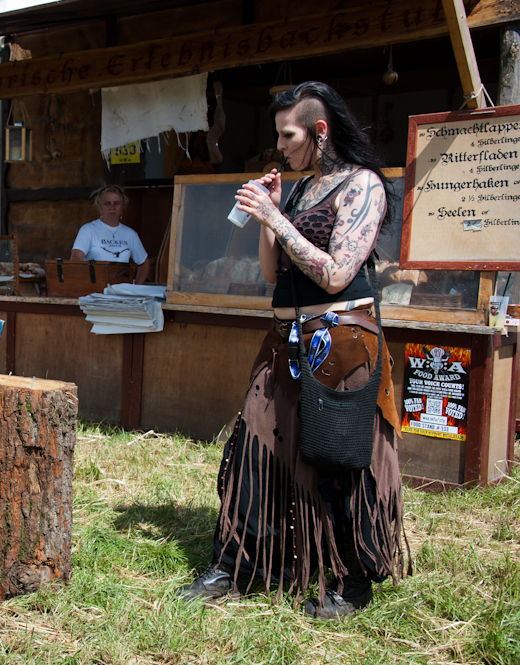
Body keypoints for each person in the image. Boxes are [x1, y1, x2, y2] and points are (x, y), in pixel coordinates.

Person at [176, 82, 407, 619]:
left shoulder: (363, 186)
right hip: (285, 342)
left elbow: (336, 274)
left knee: (339, 459)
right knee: (254, 451)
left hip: (342, 344)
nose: (280, 145)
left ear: (319, 132)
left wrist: (278, 219)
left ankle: (352, 582)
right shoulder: (301, 190)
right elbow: (270, 272)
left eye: (288, 135)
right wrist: (271, 217)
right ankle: (240, 564)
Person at [69, 185, 150, 284]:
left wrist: (136, 287)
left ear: (122, 207)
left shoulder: (130, 234)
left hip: (121, 291)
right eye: (107, 203)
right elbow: (76, 258)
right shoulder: (88, 230)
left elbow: (144, 262)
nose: (112, 207)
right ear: (100, 208)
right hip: (95, 291)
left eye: (116, 203)